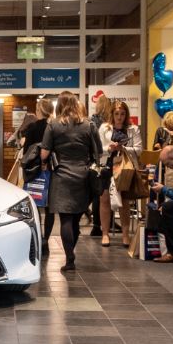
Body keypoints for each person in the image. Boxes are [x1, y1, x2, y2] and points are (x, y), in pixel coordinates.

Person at [41, 91, 103, 272]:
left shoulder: (53, 125)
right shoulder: (88, 125)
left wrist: (45, 158)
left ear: (59, 105)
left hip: (61, 176)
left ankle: (70, 259)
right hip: (83, 175)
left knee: (66, 219)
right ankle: (71, 252)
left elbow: (44, 153)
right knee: (75, 218)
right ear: (76, 104)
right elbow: (98, 152)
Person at [99, 101, 143, 247]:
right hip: (107, 166)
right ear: (112, 114)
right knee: (104, 199)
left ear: (126, 114)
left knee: (124, 201)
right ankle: (105, 234)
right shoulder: (104, 128)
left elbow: (139, 149)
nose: (119, 117)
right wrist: (109, 148)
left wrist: (124, 149)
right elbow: (99, 149)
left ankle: (125, 235)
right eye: (116, 114)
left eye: (122, 114)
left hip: (124, 167)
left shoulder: (133, 129)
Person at [20, 97, 56, 255]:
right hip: (52, 171)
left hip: (35, 172)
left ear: (39, 110)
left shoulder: (33, 127)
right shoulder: (55, 126)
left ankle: (37, 237)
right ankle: (46, 239)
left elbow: (27, 150)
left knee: (34, 206)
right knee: (50, 208)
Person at [87, 95, 113, 237]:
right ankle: (101, 225)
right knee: (102, 193)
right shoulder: (106, 123)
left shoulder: (92, 120)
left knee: (99, 194)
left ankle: (98, 225)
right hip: (103, 160)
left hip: (94, 160)